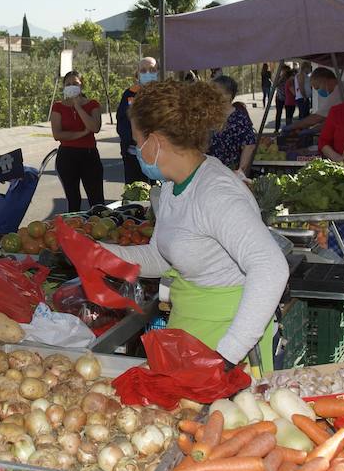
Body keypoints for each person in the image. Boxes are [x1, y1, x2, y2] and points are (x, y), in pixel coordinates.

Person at [109, 80, 289, 372]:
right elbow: (162, 256)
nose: (136, 150)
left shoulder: (216, 192)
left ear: (155, 141)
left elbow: (271, 267)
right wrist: (101, 255)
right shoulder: (172, 187)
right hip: (191, 331)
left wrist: (227, 355)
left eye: (136, 141)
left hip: (225, 341)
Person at [51, 71, 105, 212]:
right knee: (73, 200)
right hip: (67, 156)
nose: (71, 86)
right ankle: (74, 225)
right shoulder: (58, 107)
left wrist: (78, 106)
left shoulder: (93, 104)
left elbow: (94, 127)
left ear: (82, 85)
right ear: (64, 87)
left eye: (75, 83)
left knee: (96, 200)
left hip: (89, 155)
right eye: (68, 84)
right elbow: (57, 134)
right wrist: (82, 133)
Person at [117, 57, 158, 184]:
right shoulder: (129, 94)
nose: (148, 73)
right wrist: (136, 140)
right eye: (143, 70)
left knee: (158, 191)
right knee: (136, 191)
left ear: (158, 72)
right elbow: (122, 122)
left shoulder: (163, 94)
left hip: (159, 155)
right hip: (133, 155)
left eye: (152, 70)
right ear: (137, 74)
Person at [208, 75, 257, 174]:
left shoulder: (239, 118)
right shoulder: (209, 115)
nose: (212, 96)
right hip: (208, 170)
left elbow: (249, 145)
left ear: (229, 95)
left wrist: (240, 171)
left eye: (216, 92)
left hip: (228, 172)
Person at [283, 66, 342, 142]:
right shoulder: (340, 87)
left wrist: (292, 126)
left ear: (324, 80)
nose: (319, 91)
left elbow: (317, 118)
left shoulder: (337, 92)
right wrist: (315, 129)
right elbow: (330, 121)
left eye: (317, 88)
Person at [273, 64, 295, 131]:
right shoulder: (279, 77)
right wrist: (281, 78)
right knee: (279, 113)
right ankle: (277, 129)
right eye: (284, 71)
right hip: (279, 97)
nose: (285, 72)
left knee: (288, 114)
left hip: (287, 98)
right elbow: (275, 85)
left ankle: (288, 128)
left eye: (287, 71)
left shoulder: (289, 78)